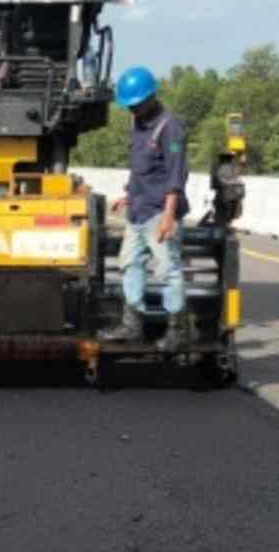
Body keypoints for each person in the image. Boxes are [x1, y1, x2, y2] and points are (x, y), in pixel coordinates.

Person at [99, 66, 191, 353]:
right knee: (130, 264)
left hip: (158, 213)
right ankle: (132, 326)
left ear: (151, 96)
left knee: (168, 271)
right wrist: (128, 195)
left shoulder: (169, 126)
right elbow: (142, 169)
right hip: (137, 211)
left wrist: (168, 216)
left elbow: (176, 175)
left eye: (137, 103)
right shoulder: (137, 125)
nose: (133, 109)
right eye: (130, 105)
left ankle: (178, 331)